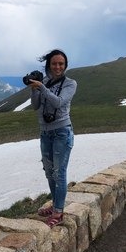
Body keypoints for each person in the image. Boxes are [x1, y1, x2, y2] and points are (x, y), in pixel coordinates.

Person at [28, 49, 77, 228]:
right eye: (54, 63)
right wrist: (34, 90)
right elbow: (35, 106)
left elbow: (58, 102)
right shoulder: (46, 82)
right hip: (45, 133)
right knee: (49, 172)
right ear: (49, 64)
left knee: (59, 172)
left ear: (65, 66)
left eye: (61, 64)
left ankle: (58, 212)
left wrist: (41, 87)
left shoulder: (70, 84)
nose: (57, 67)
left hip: (62, 132)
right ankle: (56, 205)